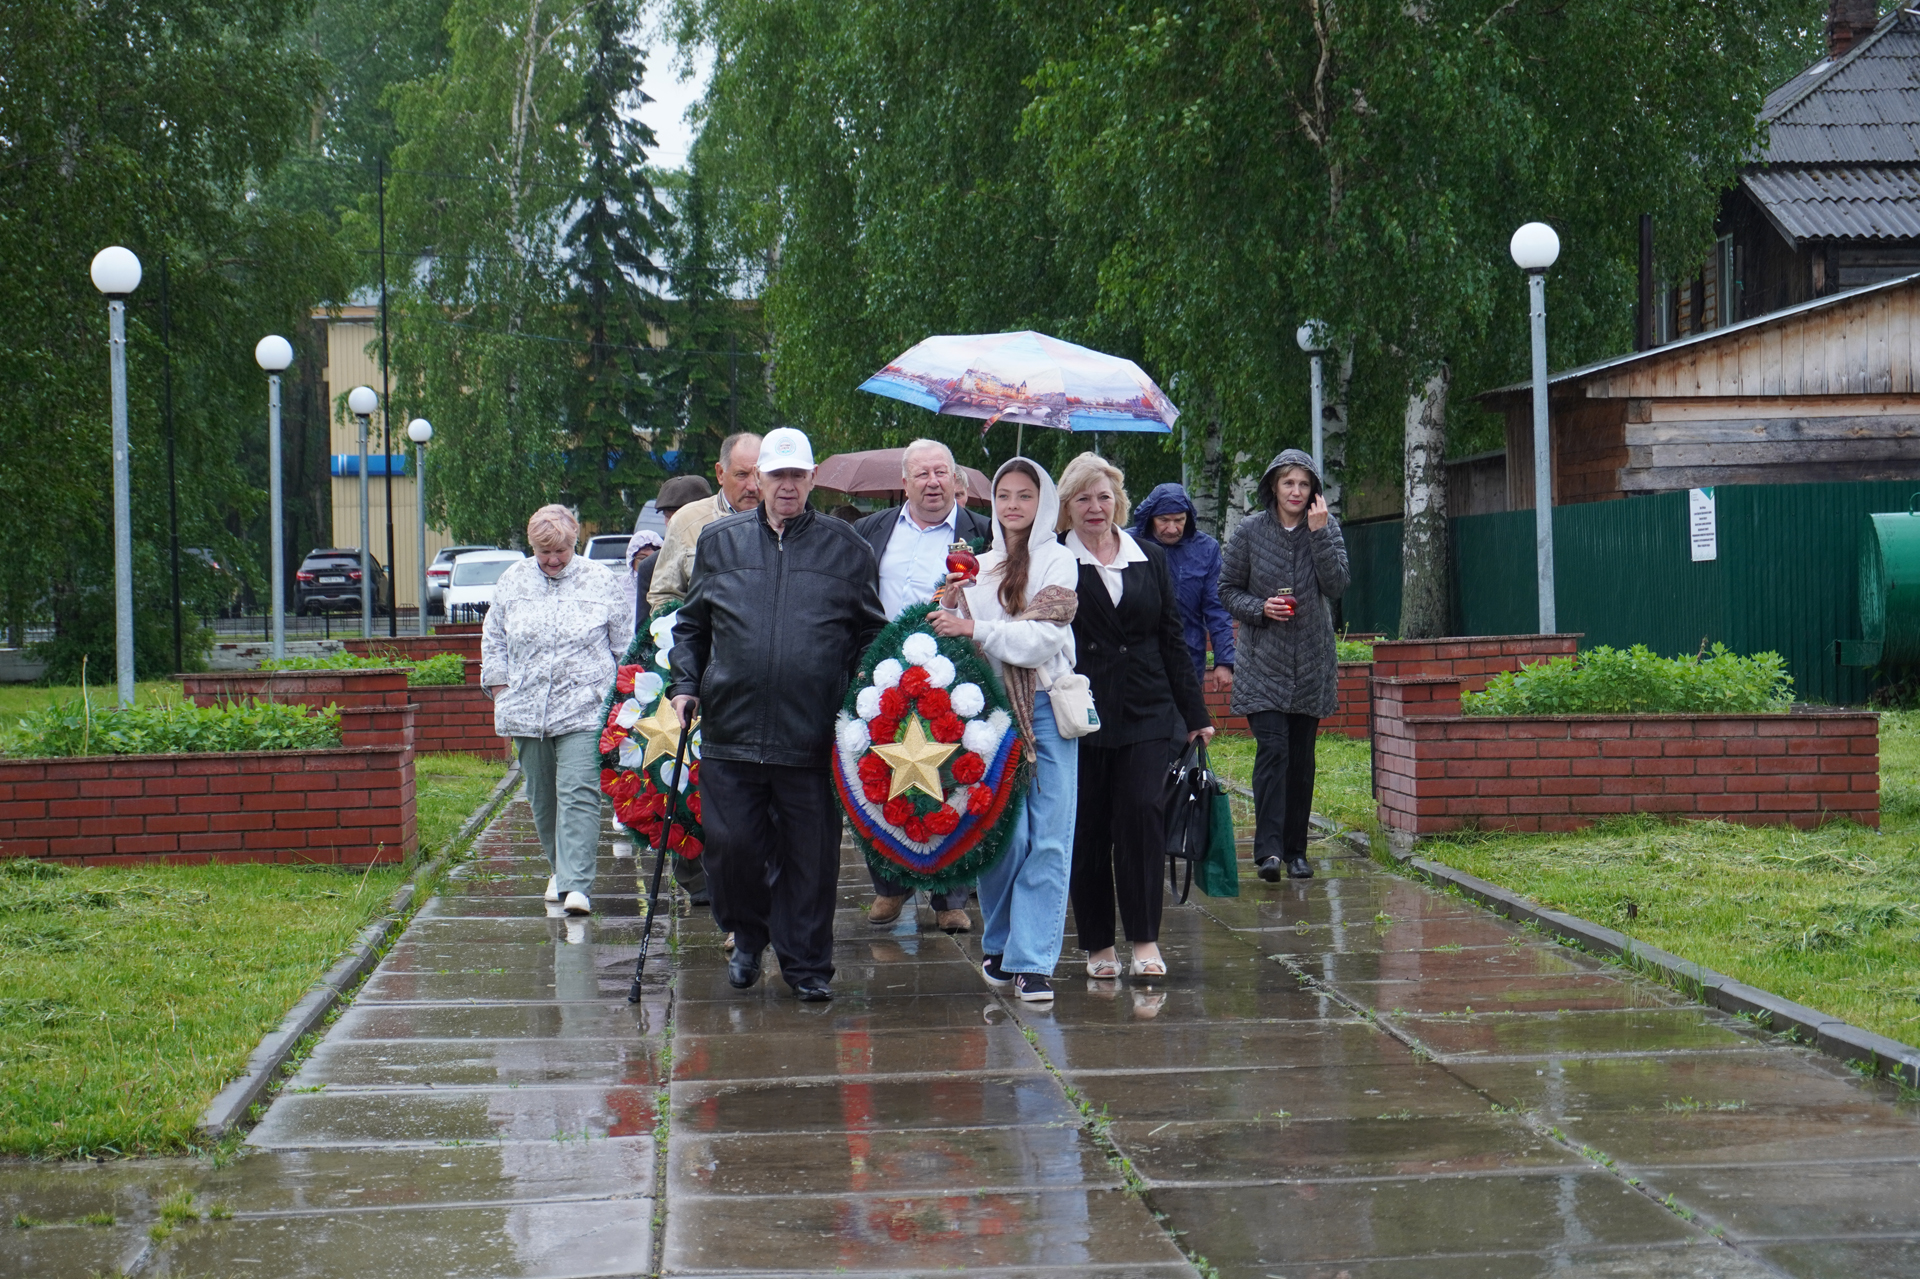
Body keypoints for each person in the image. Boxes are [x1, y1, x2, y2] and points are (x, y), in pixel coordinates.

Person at [669, 427, 886, 1001]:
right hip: (731, 730)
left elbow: (871, 631)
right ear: (757, 479)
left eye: (797, 475)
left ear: (811, 479)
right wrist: (686, 683)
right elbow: (692, 626)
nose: (786, 486)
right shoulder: (719, 542)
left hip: (810, 733)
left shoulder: (847, 548)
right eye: (776, 475)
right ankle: (747, 935)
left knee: (809, 862)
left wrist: (858, 693)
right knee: (731, 850)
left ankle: (807, 965)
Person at [929, 458, 1078, 1004]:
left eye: (1025, 496)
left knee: (1050, 839)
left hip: (1046, 712)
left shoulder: (1060, 562)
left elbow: (1042, 638)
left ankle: (1031, 962)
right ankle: (998, 940)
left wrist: (977, 626)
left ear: (1044, 504)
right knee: (1002, 835)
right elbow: (960, 644)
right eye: (1004, 496)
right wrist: (949, 603)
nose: (1013, 505)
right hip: (989, 716)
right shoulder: (980, 566)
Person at [1057, 453, 1211, 981]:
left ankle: (1145, 940)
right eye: (1083, 498)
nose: (1095, 507)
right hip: (1083, 713)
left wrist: (1195, 713)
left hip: (1149, 709)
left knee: (1144, 816)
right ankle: (1098, 944)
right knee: (1091, 828)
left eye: (1103, 496)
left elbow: (1171, 638)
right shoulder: (1055, 560)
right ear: (1067, 507)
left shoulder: (1149, 557)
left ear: (1118, 501)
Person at [852, 439, 995, 933]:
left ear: (957, 481)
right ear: (905, 482)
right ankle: (889, 886)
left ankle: (949, 893)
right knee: (877, 771)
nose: (933, 483)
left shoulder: (985, 533)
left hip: (956, 666)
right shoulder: (869, 531)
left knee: (956, 771)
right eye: (922, 474)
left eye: (942, 473)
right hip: (881, 667)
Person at [481, 505, 635, 916]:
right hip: (527, 708)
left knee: (578, 791)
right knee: (543, 797)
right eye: (542, 553)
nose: (552, 560)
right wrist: (500, 689)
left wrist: (624, 703)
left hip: (586, 707)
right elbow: (493, 639)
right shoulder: (513, 580)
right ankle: (561, 871)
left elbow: (624, 647)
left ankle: (577, 885)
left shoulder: (601, 581)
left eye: (560, 552)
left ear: (575, 543)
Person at [1218, 449, 1349, 882]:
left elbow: (1336, 584)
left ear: (1313, 491)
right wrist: (1260, 607)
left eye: (1304, 484)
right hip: (1263, 663)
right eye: (1288, 482)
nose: (1295, 491)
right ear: (1273, 485)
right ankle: (1268, 852)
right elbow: (1227, 590)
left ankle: (1296, 851)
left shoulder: (1326, 527)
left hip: (1311, 662)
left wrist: (1318, 534)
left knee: (1301, 759)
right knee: (1273, 751)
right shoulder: (1250, 531)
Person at [1132, 483, 1235, 694]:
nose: (1172, 528)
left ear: (1188, 517)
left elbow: (1216, 608)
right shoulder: (1127, 543)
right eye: (1164, 520)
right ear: (1150, 517)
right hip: (1135, 661)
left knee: (1187, 726)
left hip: (1187, 660)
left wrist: (1224, 661)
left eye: (1179, 520)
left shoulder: (1206, 549)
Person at [648, 433, 763, 611]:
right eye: (742, 475)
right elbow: (664, 595)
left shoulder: (785, 523)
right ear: (720, 474)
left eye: (758, 475)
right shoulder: (686, 522)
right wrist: (689, 633)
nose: (752, 486)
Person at [625, 528, 663, 613]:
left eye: (653, 559)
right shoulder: (620, 587)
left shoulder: (668, 586)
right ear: (631, 560)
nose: (648, 565)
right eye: (643, 558)